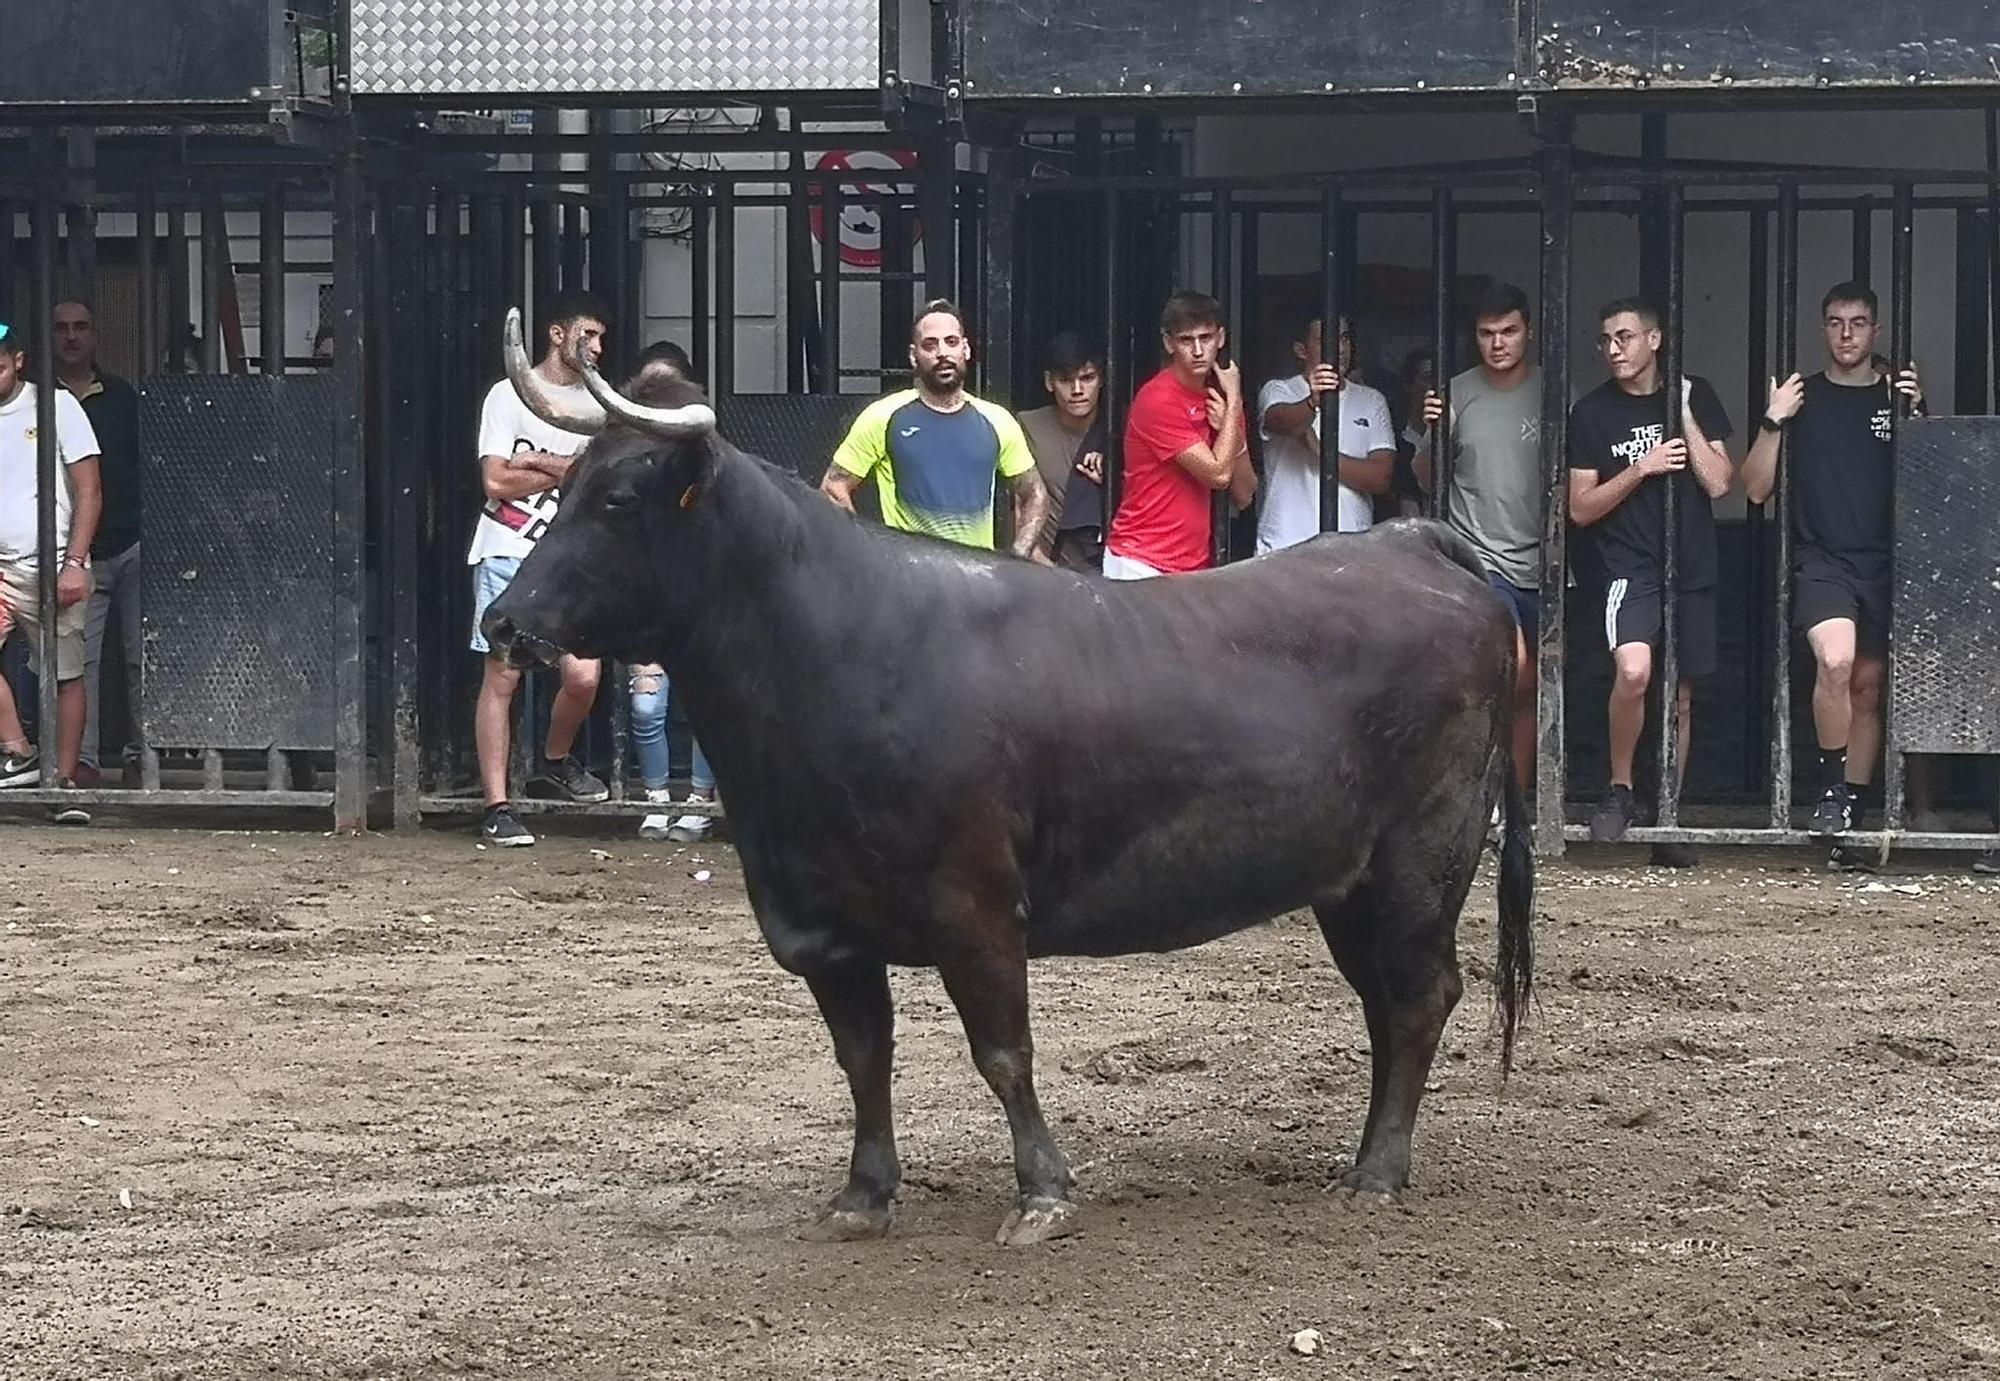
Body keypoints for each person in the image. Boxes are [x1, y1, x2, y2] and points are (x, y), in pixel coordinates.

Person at [1742, 282, 1925, 867]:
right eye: (1835, 322)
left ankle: (1850, 810)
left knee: (1869, 687)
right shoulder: (1803, 397)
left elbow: (1927, 487)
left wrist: (1918, 417)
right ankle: (1831, 788)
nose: (1846, 334)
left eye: (1859, 322)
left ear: (1876, 330)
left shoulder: (1895, 397)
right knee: (1836, 661)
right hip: (1823, 559)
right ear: (1823, 328)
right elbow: (1754, 488)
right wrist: (1773, 420)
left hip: (1888, 559)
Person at [1568, 297, 1735, 865]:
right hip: (1629, 567)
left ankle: (1668, 811)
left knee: (1681, 697)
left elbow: (1719, 485)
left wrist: (1684, 412)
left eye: (1624, 338)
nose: (1613, 350)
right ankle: (1620, 790)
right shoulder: (1591, 413)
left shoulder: (1697, 394)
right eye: (1606, 341)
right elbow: (1581, 508)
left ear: (1654, 340)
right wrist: (1640, 469)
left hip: (1691, 567)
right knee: (1635, 671)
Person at [468, 290, 612, 848]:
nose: (597, 347)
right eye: (588, 335)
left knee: (583, 676)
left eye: (601, 338)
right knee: (502, 676)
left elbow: (596, 480)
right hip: (507, 546)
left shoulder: (603, 405)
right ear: (557, 334)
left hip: (571, 558)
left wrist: (537, 461)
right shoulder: (508, 396)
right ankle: (497, 805)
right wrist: (568, 472)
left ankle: (553, 759)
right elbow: (497, 482)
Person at [1418, 283, 1544, 790]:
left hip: (1548, 562)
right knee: (1514, 673)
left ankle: (1514, 797)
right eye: (1487, 333)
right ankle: (1483, 793)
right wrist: (1433, 430)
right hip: (1480, 559)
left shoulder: (1553, 389)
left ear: (1528, 333)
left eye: (1508, 331)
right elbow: (1427, 477)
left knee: (1535, 690)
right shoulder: (1455, 393)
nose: (1498, 343)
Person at [823, 300, 1048, 557]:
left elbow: (1035, 493)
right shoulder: (882, 416)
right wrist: (871, 556)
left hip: (978, 586)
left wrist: (1017, 557)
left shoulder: (998, 420)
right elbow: (832, 488)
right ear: (913, 355)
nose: (942, 352)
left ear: (966, 349)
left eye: (951, 342)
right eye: (930, 344)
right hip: (911, 583)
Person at [0, 322, 103, 824]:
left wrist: (76, 564)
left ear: (18, 360)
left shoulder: (56, 405)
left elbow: (89, 489)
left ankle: (62, 785)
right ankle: (19, 750)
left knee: (65, 673)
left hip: (50, 563)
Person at [622, 339, 717, 843]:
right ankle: (655, 800)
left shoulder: (709, 460)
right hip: (650, 606)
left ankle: (700, 802)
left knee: (707, 706)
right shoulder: (624, 462)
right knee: (644, 705)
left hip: (702, 605)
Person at [52, 301, 145, 788]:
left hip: (130, 542)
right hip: (70, 554)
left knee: (141, 657)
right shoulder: (37, 399)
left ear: (95, 335)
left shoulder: (124, 397)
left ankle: (140, 759)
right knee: (76, 665)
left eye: (80, 327)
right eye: (62, 328)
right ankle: (81, 763)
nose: (71, 337)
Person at [1104, 291, 1255, 579]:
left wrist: (1231, 426)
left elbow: (1245, 494)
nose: (1198, 350)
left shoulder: (1221, 401)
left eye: (1206, 338)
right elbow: (1218, 476)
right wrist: (1235, 401)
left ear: (1220, 338)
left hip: (1192, 567)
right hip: (1140, 561)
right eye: (1187, 340)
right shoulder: (1158, 399)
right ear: (1169, 343)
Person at [1254, 310, 1392, 553]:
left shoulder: (1370, 400)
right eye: (1327, 338)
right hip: (1285, 548)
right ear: (1301, 350)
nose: (1339, 348)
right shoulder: (1278, 390)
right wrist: (1312, 402)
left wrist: (1321, 451)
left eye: (1345, 338)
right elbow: (1281, 421)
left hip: (1351, 549)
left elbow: (1380, 478)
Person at [1016, 332, 1107, 570]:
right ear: (1049, 381)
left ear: (1102, 379)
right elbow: (1016, 502)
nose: (1077, 389)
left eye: (1087, 378)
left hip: (1110, 570)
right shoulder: (1028, 426)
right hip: (1044, 570)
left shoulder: (1124, 428)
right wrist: (1032, 556)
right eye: (1066, 380)